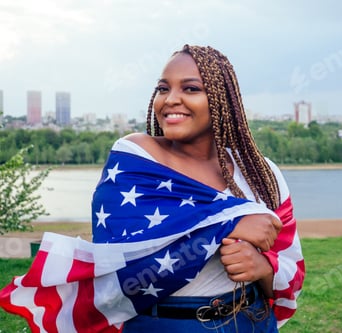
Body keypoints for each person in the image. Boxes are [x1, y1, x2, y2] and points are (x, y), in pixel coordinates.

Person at [0, 45, 304, 333]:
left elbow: (292, 267)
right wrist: (229, 223)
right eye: (163, 88)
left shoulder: (262, 173)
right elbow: (119, 259)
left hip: (252, 319)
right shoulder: (136, 158)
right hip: (166, 324)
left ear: (222, 99)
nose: (170, 99)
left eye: (191, 88)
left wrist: (264, 268)